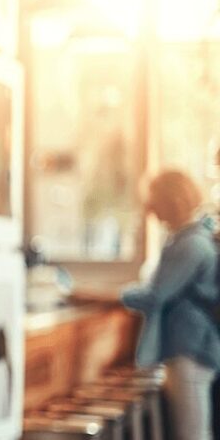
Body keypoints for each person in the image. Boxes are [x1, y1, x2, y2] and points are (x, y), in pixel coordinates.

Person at [121, 170, 220, 440]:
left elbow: (155, 295)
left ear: (172, 201)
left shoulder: (191, 244)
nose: (150, 211)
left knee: (192, 434)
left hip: (191, 349)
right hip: (194, 347)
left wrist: (120, 294)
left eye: (154, 203)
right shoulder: (190, 239)